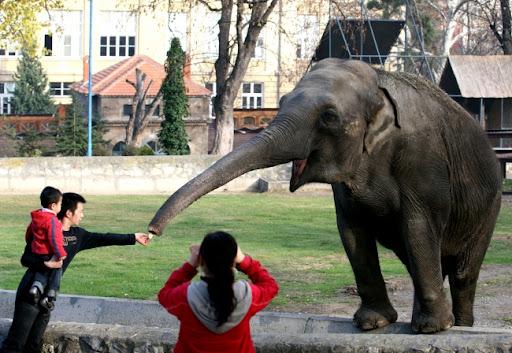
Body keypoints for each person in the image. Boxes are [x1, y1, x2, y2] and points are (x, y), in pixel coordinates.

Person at [0, 192, 151, 353]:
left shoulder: (77, 235)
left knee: (34, 345)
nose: (82, 215)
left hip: (47, 299)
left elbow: (104, 238)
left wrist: (133, 237)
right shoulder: (46, 230)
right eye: (80, 211)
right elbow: (25, 259)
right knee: (15, 344)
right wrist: (46, 263)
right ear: (68, 213)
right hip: (30, 293)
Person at [158, 231, 278, 353]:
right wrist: (244, 261)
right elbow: (270, 286)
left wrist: (189, 266)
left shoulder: (186, 296)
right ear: (233, 262)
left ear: (201, 261)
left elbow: (164, 294)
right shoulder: (247, 295)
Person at [25, 186, 67, 311]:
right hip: (47, 251)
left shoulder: (37, 217)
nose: (61, 207)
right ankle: (50, 296)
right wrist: (60, 253)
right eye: (60, 204)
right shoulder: (53, 220)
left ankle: (35, 288)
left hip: (37, 251)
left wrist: (31, 244)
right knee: (57, 268)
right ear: (53, 206)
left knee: (42, 271)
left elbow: (29, 233)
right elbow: (54, 238)